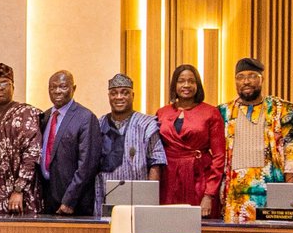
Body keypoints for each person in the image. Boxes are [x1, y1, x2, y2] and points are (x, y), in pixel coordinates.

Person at [217, 57, 293, 222]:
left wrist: (289, 193)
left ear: (262, 79)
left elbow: (291, 153)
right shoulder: (223, 112)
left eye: (252, 76)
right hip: (234, 193)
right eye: (240, 77)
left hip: (272, 189)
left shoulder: (281, 109)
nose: (246, 81)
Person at [153, 64, 226, 214]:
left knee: (199, 223)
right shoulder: (162, 112)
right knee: (167, 222)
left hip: (199, 177)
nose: (186, 85)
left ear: (197, 85)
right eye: (181, 81)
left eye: (191, 81)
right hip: (168, 178)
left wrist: (209, 194)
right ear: (174, 85)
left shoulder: (211, 112)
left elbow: (219, 156)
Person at [94, 72, 165, 215]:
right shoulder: (99, 124)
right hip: (105, 194)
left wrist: (149, 199)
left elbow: (156, 162)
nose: (119, 97)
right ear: (109, 96)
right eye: (114, 93)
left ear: (133, 95)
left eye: (124, 92)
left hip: (138, 196)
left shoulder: (147, 124)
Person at [38, 69, 101, 216]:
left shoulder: (85, 117)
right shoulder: (45, 117)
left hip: (73, 203)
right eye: (53, 87)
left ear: (74, 88)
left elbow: (87, 165)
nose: (57, 91)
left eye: (63, 86)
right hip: (47, 198)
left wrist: (70, 200)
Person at [0, 62, 42, 217]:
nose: (0, 88)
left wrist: (19, 189)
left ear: (13, 87)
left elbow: (32, 153)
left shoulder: (26, 113)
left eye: (5, 83)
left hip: (18, 197)